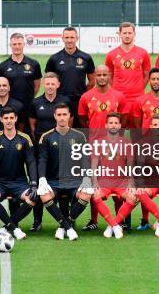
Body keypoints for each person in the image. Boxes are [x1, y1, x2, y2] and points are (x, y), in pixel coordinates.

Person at [77, 65, 126, 231]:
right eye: (99, 75)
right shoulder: (86, 97)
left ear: (110, 76)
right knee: (95, 182)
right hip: (94, 145)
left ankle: (120, 219)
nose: (102, 77)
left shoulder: (119, 96)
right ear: (94, 76)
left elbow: (123, 120)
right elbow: (83, 120)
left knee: (117, 178)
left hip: (114, 145)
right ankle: (94, 220)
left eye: (105, 74)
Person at [36, 103, 90, 241]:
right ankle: (68, 227)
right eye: (59, 115)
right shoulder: (46, 137)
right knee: (44, 196)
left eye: (64, 114)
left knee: (86, 194)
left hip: (75, 181)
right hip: (54, 181)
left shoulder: (79, 136)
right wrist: (42, 179)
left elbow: (85, 159)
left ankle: (64, 226)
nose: (61, 118)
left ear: (69, 116)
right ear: (54, 116)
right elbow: (42, 160)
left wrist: (86, 177)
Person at [0, 107, 38, 240]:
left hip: (19, 182)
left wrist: (33, 184)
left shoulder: (24, 138)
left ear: (16, 119)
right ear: (1, 119)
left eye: (11, 118)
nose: (9, 121)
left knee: (32, 198)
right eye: (6, 118)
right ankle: (14, 228)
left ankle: (6, 227)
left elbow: (31, 162)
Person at [28, 72, 71, 231]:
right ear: (43, 85)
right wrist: (40, 142)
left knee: (63, 182)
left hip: (62, 149)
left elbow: (69, 124)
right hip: (42, 149)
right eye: (48, 83)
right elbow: (32, 125)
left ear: (58, 85)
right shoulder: (36, 102)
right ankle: (37, 221)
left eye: (53, 84)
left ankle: (66, 220)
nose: (50, 86)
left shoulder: (64, 101)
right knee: (41, 183)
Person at [90, 113, 138, 239]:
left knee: (132, 198)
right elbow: (94, 165)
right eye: (111, 123)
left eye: (116, 123)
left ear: (120, 126)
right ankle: (115, 226)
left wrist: (131, 183)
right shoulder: (98, 143)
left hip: (121, 182)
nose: (113, 125)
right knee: (95, 197)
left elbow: (130, 166)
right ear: (106, 125)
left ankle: (112, 225)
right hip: (104, 181)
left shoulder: (126, 143)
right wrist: (94, 183)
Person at [44, 27, 95, 126]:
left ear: (77, 38)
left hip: (80, 100)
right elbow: (48, 80)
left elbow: (92, 80)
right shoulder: (54, 58)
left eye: (72, 37)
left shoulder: (86, 57)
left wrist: (84, 94)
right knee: (62, 128)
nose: (69, 40)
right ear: (62, 38)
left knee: (82, 127)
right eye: (66, 37)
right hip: (60, 100)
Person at [105, 22, 151, 122]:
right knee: (118, 128)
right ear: (119, 34)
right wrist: (116, 91)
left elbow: (147, 75)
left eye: (130, 33)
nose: (127, 36)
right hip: (119, 98)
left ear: (134, 34)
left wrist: (139, 88)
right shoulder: (111, 54)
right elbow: (109, 76)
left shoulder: (143, 53)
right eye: (124, 33)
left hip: (137, 98)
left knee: (137, 130)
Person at [0, 32, 42, 125]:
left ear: (24, 44)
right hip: (9, 107)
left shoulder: (34, 64)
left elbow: (36, 86)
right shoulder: (2, 66)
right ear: (10, 45)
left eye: (19, 44)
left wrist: (28, 97)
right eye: (14, 44)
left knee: (28, 135)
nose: (17, 47)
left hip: (28, 106)